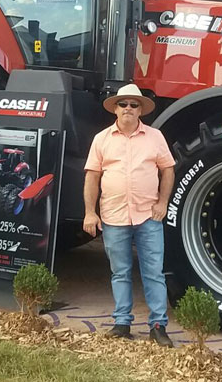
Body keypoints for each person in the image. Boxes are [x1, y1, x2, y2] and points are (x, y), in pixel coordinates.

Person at [83, 84, 176, 346]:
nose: (128, 108)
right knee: (120, 272)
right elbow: (92, 176)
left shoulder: (155, 137)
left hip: (148, 216)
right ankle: (122, 323)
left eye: (134, 105)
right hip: (113, 217)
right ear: (115, 107)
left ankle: (158, 326)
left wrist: (163, 202)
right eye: (123, 103)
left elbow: (167, 170)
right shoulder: (101, 139)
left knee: (154, 273)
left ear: (140, 110)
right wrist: (90, 213)